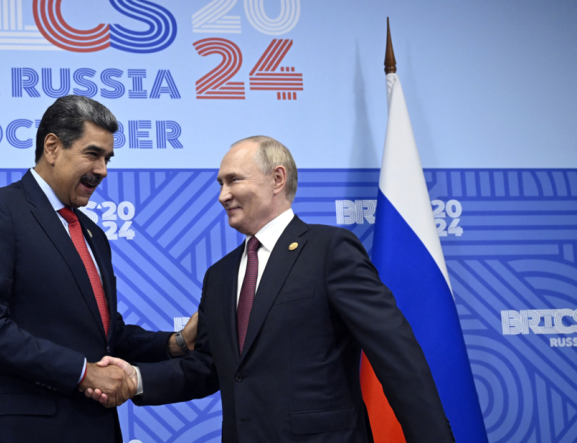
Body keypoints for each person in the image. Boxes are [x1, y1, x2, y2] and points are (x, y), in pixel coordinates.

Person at [87, 136, 454, 442]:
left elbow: (395, 355)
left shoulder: (329, 250)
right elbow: (209, 367)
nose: (223, 195)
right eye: (220, 184)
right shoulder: (220, 276)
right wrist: (136, 379)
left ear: (277, 178)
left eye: (234, 180)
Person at [0, 95, 196, 443]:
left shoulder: (92, 234)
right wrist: (83, 373)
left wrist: (176, 343)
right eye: (93, 154)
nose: (103, 170)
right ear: (52, 147)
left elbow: (106, 336)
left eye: (107, 158)